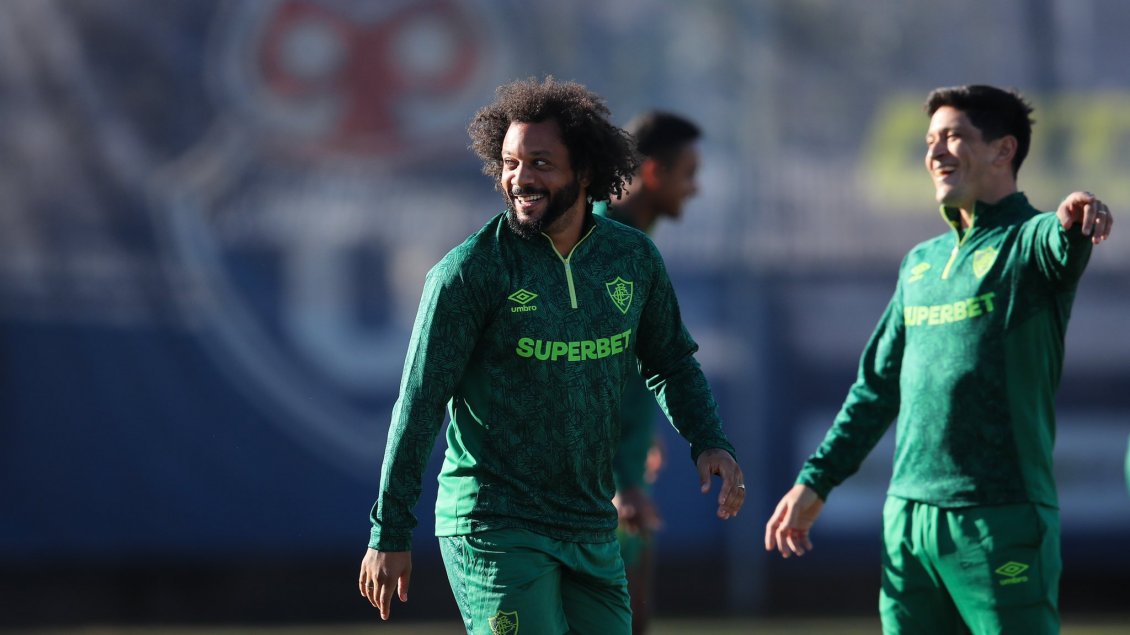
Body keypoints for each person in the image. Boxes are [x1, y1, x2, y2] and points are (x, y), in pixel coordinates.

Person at [358, 76, 746, 635]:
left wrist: (709, 439)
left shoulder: (631, 258)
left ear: (585, 171)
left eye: (540, 162)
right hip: (494, 524)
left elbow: (670, 361)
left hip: (590, 523)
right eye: (511, 163)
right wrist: (389, 532)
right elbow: (418, 405)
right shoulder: (468, 273)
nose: (520, 178)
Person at [764, 84, 1114, 634]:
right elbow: (876, 388)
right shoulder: (920, 265)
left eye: (953, 137)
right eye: (930, 141)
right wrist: (817, 481)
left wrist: (1072, 216)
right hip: (908, 521)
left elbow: (1061, 240)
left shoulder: (1029, 245)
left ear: (1003, 151)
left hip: (998, 517)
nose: (935, 153)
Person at [594, 110, 703, 635]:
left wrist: (643, 433)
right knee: (626, 622)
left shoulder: (632, 240)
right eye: (688, 173)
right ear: (655, 173)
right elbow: (585, 371)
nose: (696, 188)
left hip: (623, 469)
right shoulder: (605, 243)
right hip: (598, 488)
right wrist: (619, 480)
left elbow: (629, 359)